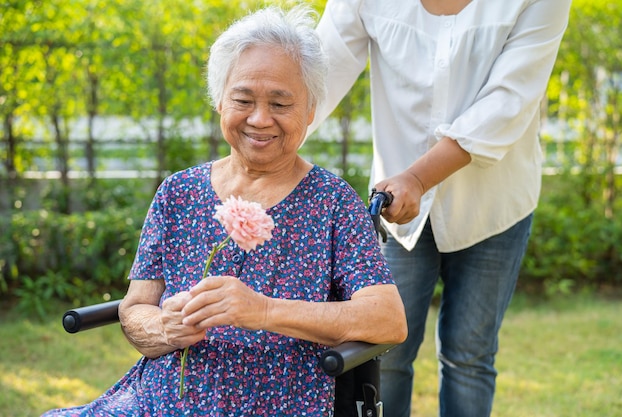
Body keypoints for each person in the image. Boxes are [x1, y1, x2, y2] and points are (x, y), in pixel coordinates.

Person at [42, 5, 407, 416]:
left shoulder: (333, 202)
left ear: (310, 111)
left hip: (278, 404)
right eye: (243, 99)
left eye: (281, 104)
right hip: (160, 400)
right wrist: (164, 327)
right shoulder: (177, 192)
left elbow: (388, 319)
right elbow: (136, 307)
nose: (259, 118)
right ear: (220, 102)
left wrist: (264, 310)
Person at [309, 0, 572, 416]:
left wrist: (417, 178)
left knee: (469, 355)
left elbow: (508, 101)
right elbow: (314, 75)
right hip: (398, 213)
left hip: (494, 206)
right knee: (383, 350)